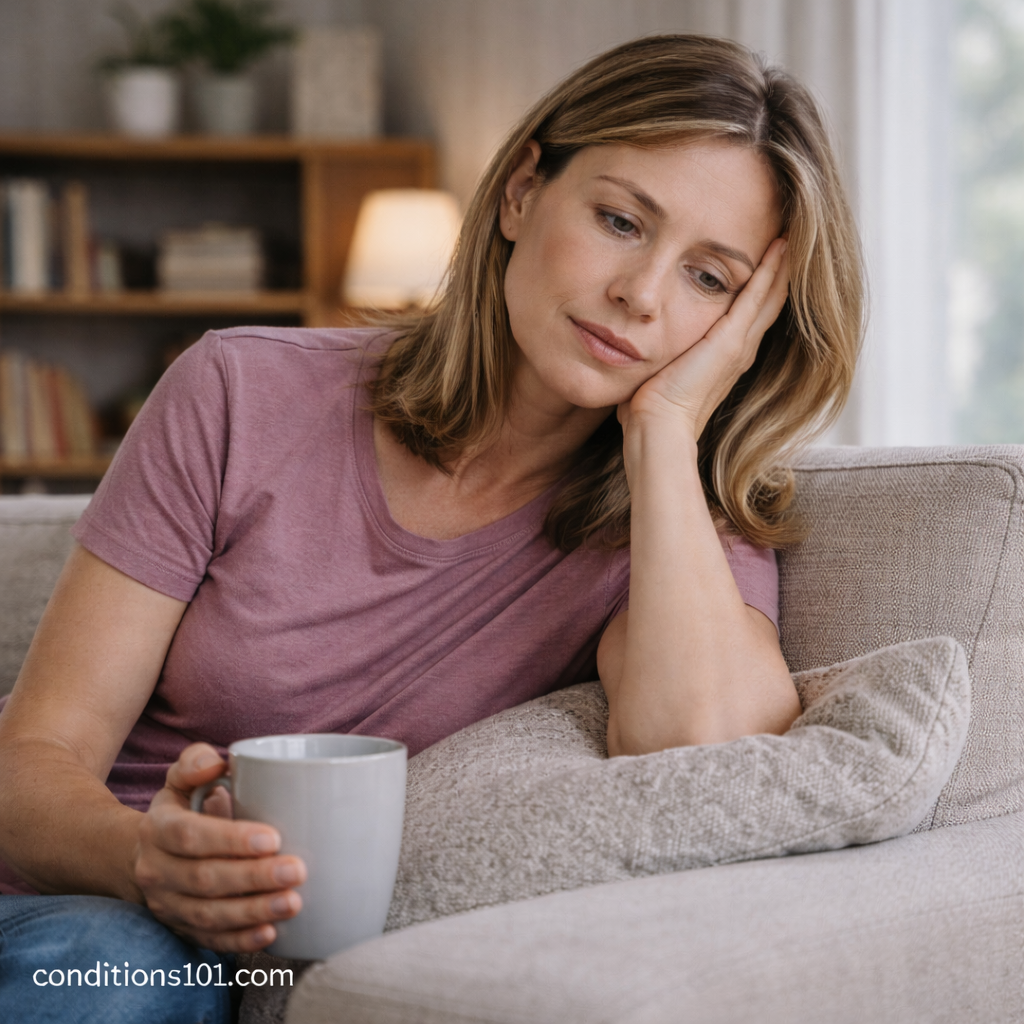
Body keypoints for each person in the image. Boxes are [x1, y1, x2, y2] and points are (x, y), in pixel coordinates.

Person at [0, 34, 862, 1023]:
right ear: (521, 190)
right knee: (121, 967)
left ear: (749, 331)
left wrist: (663, 432)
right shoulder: (238, 390)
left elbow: (702, 755)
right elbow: (31, 761)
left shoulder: (679, 536)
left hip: (239, 960)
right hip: (69, 905)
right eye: (621, 220)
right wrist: (146, 860)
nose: (642, 294)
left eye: (711, 279)